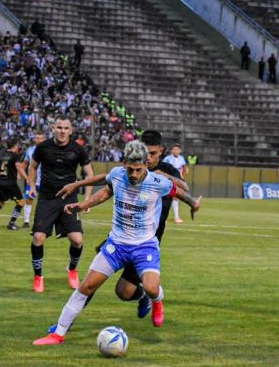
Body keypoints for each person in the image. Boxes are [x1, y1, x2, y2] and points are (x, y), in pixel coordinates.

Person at [48, 131, 201, 331]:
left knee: (125, 291)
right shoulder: (125, 171)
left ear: (158, 153)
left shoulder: (162, 174)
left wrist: (191, 202)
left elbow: (182, 188)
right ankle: (66, 324)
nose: (149, 158)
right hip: (120, 238)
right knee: (91, 281)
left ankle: (149, 296)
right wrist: (81, 193)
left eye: (153, 154)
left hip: (146, 241)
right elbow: (108, 182)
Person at [32, 141, 179, 345]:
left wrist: (191, 202)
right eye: (130, 169)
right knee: (87, 286)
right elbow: (105, 192)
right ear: (124, 163)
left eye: (138, 170)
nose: (134, 175)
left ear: (146, 164)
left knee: (151, 288)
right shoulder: (118, 174)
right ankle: (58, 333)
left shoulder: (158, 182)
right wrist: (82, 205)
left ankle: (156, 300)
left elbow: (176, 191)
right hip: (116, 245)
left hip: (145, 245)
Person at [28, 117, 94, 293]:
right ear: (53, 128)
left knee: (77, 240)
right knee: (38, 238)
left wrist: (87, 199)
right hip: (47, 198)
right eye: (59, 127)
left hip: (69, 200)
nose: (62, 131)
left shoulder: (77, 150)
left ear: (71, 131)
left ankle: (72, 269)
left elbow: (89, 174)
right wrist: (32, 186)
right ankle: (38, 276)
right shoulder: (43, 147)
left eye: (66, 128)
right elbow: (32, 167)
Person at [0, 138, 29, 230]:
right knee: (21, 202)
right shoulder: (15, 156)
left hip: (1, 182)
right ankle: (11, 224)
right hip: (11, 183)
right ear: (15, 146)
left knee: (1, 202)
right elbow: (19, 167)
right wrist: (27, 178)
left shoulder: (1, 155)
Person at [20, 132, 45, 228]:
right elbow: (23, 166)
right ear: (34, 139)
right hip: (32, 181)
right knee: (29, 199)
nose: (39, 139)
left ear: (44, 139)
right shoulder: (29, 151)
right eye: (37, 138)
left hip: (44, 181)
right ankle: (26, 222)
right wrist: (27, 177)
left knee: (44, 201)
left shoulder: (47, 150)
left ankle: (42, 221)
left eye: (41, 138)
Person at [163, 144, 188, 224]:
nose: (175, 151)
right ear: (171, 150)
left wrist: (182, 176)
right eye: (174, 149)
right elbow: (162, 168)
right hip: (168, 180)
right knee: (165, 198)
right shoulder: (167, 158)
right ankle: (163, 217)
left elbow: (184, 168)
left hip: (177, 181)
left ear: (179, 151)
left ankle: (176, 217)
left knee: (176, 197)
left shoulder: (181, 159)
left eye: (177, 149)